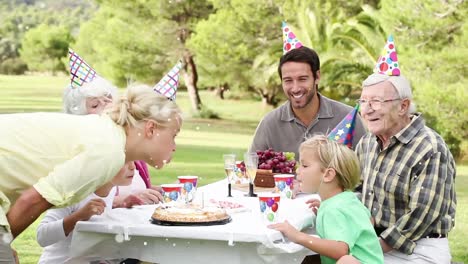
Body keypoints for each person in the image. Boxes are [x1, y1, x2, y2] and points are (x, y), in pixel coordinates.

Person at [0, 85, 182, 262]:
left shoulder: (107, 136)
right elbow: (31, 200)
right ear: (150, 129)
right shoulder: (108, 151)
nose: (174, 146)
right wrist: (4, 244)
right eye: (173, 135)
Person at [355, 73, 456, 263]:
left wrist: (371, 248)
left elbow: (422, 214)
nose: (367, 110)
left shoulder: (430, 148)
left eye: (376, 101)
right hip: (374, 239)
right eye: (363, 101)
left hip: (420, 248)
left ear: (403, 106)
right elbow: (356, 188)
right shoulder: (367, 142)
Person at [269, 135, 383, 264]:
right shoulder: (348, 200)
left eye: (305, 166)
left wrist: (298, 236)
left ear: (328, 175)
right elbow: (369, 221)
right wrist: (327, 215)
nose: (298, 170)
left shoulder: (334, 209)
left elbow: (340, 251)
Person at [249, 46, 366, 158]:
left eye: (302, 79)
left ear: (317, 77)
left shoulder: (349, 118)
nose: (295, 88)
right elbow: (252, 169)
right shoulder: (269, 123)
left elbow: (365, 169)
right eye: (288, 80)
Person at [62, 78, 164, 207]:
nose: (106, 106)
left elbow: (133, 187)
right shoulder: (83, 151)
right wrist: (123, 201)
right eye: (95, 105)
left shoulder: (127, 141)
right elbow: (77, 203)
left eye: (108, 99)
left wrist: (156, 191)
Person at [37, 162, 135, 263]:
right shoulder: (74, 192)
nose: (133, 167)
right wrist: (79, 216)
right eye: (125, 162)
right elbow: (42, 236)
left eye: (134, 161)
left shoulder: (111, 190)